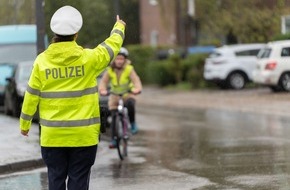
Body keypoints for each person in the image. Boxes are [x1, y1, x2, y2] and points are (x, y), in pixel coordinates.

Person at [19, 5, 125, 190]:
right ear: (76, 33)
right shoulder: (89, 59)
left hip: (53, 137)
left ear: (55, 34)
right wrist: (119, 27)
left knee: (56, 179)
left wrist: (25, 124)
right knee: (79, 180)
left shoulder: (41, 61)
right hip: (83, 137)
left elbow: (31, 96)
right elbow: (111, 47)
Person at [99, 47, 142, 148]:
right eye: (117, 59)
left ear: (125, 60)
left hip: (127, 94)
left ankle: (133, 123)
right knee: (114, 117)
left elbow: (136, 80)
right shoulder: (110, 70)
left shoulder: (129, 69)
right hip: (114, 96)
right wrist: (102, 90)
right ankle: (114, 140)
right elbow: (103, 82)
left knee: (131, 104)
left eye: (121, 59)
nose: (119, 61)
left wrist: (137, 89)